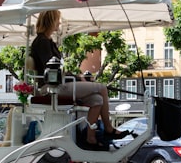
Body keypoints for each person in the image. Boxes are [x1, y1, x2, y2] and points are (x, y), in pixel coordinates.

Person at [30, 9, 127, 147]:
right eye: (57, 19)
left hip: (58, 85)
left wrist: (76, 77)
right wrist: (76, 78)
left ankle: (90, 138)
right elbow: (53, 70)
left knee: (97, 100)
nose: (59, 22)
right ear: (51, 21)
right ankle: (108, 128)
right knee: (102, 88)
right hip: (52, 88)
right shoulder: (42, 42)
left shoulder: (47, 41)